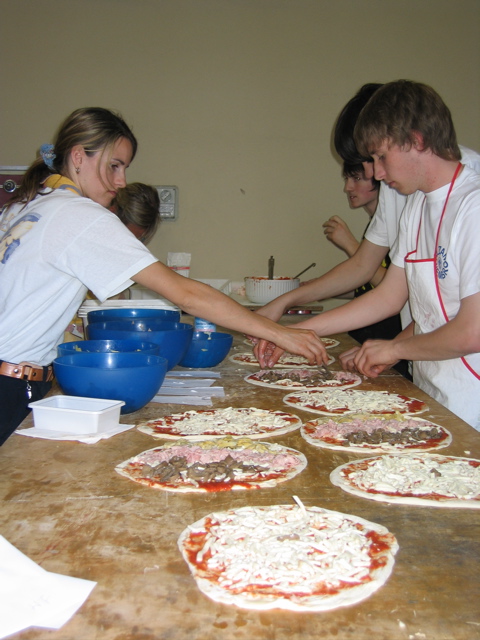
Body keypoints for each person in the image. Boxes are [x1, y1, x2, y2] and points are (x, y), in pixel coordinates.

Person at [0, 107, 328, 445]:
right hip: (8, 384)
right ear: (78, 157)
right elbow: (185, 295)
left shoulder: (23, 205)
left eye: (125, 168)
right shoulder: (78, 214)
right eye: (114, 165)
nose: (121, 181)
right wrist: (280, 333)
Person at [256, 80, 480, 430]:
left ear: (417, 141)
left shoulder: (473, 206)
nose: (376, 172)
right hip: (433, 393)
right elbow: (389, 297)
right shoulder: (417, 205)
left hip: (472, 404)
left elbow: (472, 332)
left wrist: (393, 350)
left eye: (381, 157)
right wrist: (296, 334)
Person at [323, 162, 407, 376]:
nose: (348, 188)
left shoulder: (400, 226)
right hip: (365, 340)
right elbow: (364, 284)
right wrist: (315, 292)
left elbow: (394, 290)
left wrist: (351, 245)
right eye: (347, 179)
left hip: (391, 343)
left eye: (357, 179)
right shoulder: (374, 226)